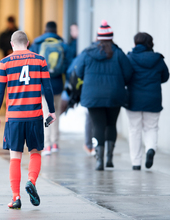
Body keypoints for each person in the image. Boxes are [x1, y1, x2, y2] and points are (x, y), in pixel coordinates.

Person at [0, 31, 56, 209]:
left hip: (14, 117)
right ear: (27, 43)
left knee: (15, 157)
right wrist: (51, 111)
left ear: (12, 44)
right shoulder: (40, 60)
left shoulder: (4, 62)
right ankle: (31, 181)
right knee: (35, 152)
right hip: (35, 115)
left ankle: (16, 197)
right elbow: (48, 88)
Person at [75, 20, 133, 170]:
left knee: (98, 126)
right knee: (111, 125)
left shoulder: (87, 53)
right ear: (111, 37)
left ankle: (99, 160)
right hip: (114, 94)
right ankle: (109, 158)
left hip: (93, 95)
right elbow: (128, 74)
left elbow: (79, 72)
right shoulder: (118, 53)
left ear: (98, 37)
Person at [125, 32, 169, 170]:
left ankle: (136, 163)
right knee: (151, 128)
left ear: (135, 44)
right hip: (153, 99)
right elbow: (165, 77)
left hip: (133, 100)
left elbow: (125, 76)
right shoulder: (158, 59)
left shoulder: (129, 58)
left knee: (134, 130)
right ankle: (150, 149)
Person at [29, 21, 71, 155]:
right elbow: (69, 67)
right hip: (58, 83)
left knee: (46, 113)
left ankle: (46, 144)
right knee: (56, 112)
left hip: (42, 84)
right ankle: (55, 143)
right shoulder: (63, 45)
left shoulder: (37, 44)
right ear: (56, 30)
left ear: (45, 30)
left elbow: (31, 65)